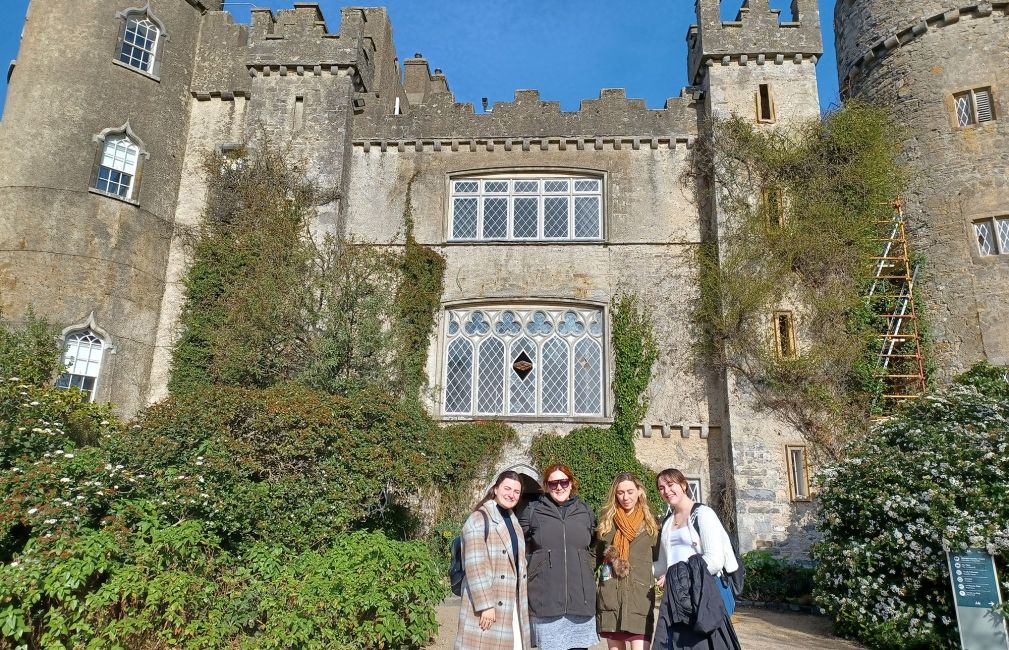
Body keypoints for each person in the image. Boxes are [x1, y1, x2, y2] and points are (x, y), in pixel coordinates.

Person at [651, 468, 740, 650]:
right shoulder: (667, 523)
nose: (666, 491)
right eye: (661, 488)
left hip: (704, 593)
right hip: (678, 597)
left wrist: (675, 575)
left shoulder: (703, 514)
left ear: (683, 484)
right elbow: (662, 564)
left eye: (670, 484)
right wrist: (632, 569)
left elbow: (714, 560)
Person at [519, 464, 598, 650]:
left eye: (563, 482)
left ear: (571, 484)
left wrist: (586, 565)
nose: (559, 487)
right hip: (546, 600)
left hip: (580, 600)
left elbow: (596, 546)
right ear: (546, 486)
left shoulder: (585, 511)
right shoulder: (532, 511)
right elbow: (516, 544)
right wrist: (535, 567)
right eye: (553, 483)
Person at [455, 471, 531, 650]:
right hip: (487, 606)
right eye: (507, 488)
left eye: (516, 491)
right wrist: (485, 605)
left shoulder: (514, 522)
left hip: (511, 604)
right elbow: (475, 565)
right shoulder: (479, 519)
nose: (511, 494)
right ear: (495, 489)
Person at [595, 472, 660, 650]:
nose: (625, 497)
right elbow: (595, 558)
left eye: (630, 491)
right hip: (611, 598)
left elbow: (660, 559)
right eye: (620, 493)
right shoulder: (606, 525)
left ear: (639, 491)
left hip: (639, 600)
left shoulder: (651, 526)